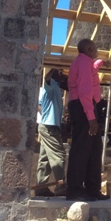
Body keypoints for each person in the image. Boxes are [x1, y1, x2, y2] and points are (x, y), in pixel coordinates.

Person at [65, 39, 110, 201]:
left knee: (94, 149)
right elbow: (84, 91)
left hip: (87, 106)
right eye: (96, 48)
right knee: (81, 149)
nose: (97, 50)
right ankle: (75, 190)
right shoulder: (83, 63)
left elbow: (92, 70)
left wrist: (100, 62)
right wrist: (91, 118)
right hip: (83, 107)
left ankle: (93, 189)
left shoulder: (86, 63)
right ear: (90, 49)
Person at [34, 68, 68, 197]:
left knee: (45, 159)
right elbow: (47, 78)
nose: (63, 76)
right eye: (61, 74)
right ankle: (61, 187)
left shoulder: (57, 89)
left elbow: (39, 105)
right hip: (49, 126)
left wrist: (45, 114)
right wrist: (53, 72)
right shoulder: (51, 85)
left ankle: (41, 188)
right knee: (59, 155)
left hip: (47, 125)